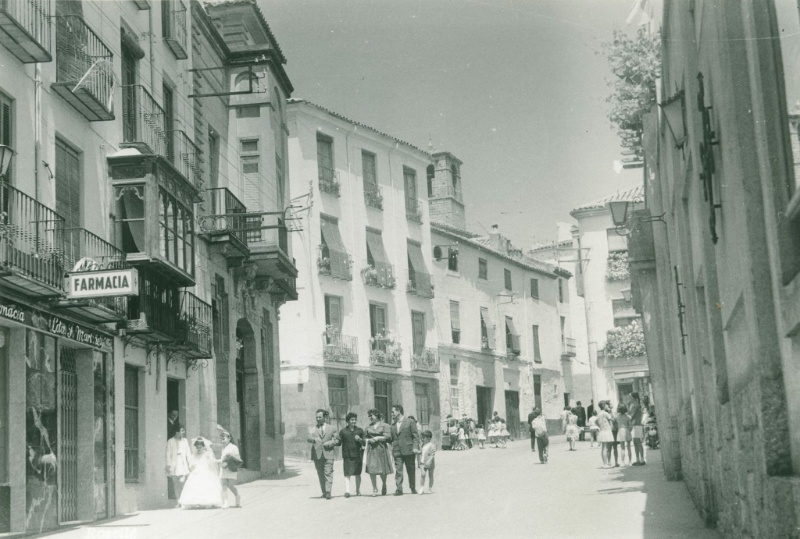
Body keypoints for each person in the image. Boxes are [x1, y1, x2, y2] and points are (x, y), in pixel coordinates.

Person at [179, 437, 223, 509]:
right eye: (197, 447)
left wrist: (220, 460)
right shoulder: (193, 455)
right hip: (196, 472)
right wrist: (192, 466)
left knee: (206, 486)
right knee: (194, 487)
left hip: (205, 471)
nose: (198, 449)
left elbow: (213, 461)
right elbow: (190, 465)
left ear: (203, 447)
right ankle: (194, 502)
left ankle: (207, 502)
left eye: (200, 447)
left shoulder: (206, 454)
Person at [390, 404, 420, 495]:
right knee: (398, 471)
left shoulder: (410, 421)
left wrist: (415, 447)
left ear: (398, 411)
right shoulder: (393, 425)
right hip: (397, 451)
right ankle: (399, 489)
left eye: (393, 412)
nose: (391, 414)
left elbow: (415, 436)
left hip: (409, 450)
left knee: (410, 470)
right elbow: (392, 439)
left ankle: (412, 487)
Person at [307, 409, 337, 499]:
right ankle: (324, 492)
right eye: (317, 417)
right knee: (320, 474)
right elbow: (308, 437)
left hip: (328, 453)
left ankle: (328, 492)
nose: (318, 419)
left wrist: (330, 443)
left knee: (328, 472)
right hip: (317, 454)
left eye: (320, 417)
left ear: (325, 417)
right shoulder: (313, 428)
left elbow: (337, 440)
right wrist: (314, 439)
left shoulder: (332, 428)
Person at [364, 409, 393, 496]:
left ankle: (384, 484)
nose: (370, 417)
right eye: (369, 416)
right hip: (372, 450)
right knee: (372, 469)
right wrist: (369, 440)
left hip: (381, 449)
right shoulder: (368, 427)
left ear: (377, 416)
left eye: (371, 415)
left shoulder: (385, 426)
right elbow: (363, 438)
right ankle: (374, 489)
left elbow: (389, 437)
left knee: (382, 470)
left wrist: (378, 438)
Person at [335, 412, 365, 498]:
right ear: (347, 421)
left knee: (357, 473)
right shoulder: (343, 431)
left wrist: (359, 439)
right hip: (347, 455)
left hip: (357, 454)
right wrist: (333, 442)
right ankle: (347, 491)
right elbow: (338, 442)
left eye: (355, 420)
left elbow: (364, 442)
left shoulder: (359, 430)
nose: (354, 421)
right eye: (352, 420)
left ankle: (358, 490)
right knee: (347, 473)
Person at [165, 425, 191, 507]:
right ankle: (178, 501)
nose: (183, 432)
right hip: (174, 463)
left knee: (182, 482)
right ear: (177, 432)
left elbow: (188, 453)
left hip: (182, 463)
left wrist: (190, 463)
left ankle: (184, 500)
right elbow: (168, 454)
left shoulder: (185, 441)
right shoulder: (170, 441)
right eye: (182, 431)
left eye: (184, 431)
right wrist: (168, 465)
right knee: (175, 484)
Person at [219, 431, 242, 508]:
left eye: (224, 437)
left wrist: (230, 456)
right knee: (224, 485)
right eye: (222, 437)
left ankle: (237, 496)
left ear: (229, 438)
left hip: (231, 468)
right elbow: (222, 459)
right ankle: (225, 503)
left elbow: (237, 457)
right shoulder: (223, 448)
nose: (222, 438)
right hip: (224, 469)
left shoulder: (234, 447)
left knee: (231, 486)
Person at [596, 401, 615, 468]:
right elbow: (613, 419)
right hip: (607, 431)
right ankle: (606, 464)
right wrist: (611, 411)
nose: (608, 406)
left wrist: (600, 426)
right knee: (606, 448)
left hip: (602, 431)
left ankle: (605, 463)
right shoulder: (606, 413)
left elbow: (596, 422)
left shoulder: (599, 414)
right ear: (604, 406)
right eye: (606, 405)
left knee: (603, 447)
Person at [629, 392, 645, 465]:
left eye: (630, 397)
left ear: (634, 398)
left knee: (638, 442)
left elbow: (631, 416)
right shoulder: (634, 405)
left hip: (637, 425)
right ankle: (638, 459)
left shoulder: (636, 406)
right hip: (635, 425)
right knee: (636, 442)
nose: (629, 399)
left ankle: (641, 459)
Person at [418, 430, 436, 494]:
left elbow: (432, 455)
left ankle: (430, 488)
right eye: (422, 438)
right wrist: (418, 452)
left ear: (429, 438)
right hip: (423, 462)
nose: (422, 439)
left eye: (424, 438)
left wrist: (429, 461)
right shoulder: (422, 445)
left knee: (430, 475)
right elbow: (422, 452)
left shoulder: (432, 445)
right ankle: (422, 488)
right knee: (422, 475)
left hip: (430, 463)